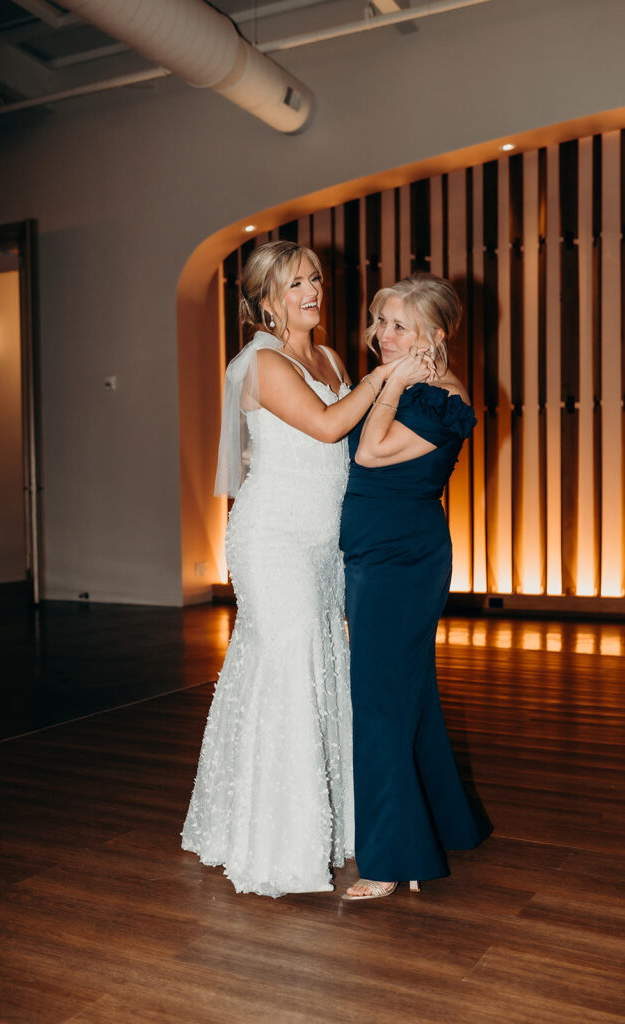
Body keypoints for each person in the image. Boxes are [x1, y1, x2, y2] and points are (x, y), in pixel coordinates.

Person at [181, 241, 430, 897]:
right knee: (288, 667)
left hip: (323, 539)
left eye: (315, 279)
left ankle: (326, 824)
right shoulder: (260, 363)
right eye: (296, 285)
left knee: (321, 664)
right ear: (265, 299)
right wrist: (390, 374)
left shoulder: (327, 355)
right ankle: (274, 843)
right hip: (274, 537)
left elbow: (352, 438)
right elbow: (324, 427)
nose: (312, 292)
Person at [340, 273, 492, 901]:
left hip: (402, 561)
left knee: (378, 705)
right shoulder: (402, 384)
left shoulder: (440, 397)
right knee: (407, 696)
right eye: (380, 321)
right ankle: (450, 822)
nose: (382, 335)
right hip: (373, 554)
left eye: (399, 325)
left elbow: (370, 454)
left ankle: (389, 858)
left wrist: (390, 382)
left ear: (435, 334)